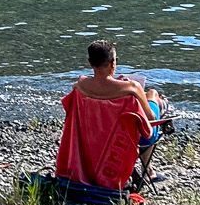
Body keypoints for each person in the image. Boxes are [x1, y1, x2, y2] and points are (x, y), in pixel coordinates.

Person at [70, 39, 169, 188]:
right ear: (112, 63)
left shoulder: (80, 85)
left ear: (90, 63)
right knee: (153, 95)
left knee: (146, 101)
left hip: (94, 137)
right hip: (126, 140)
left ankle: (147, 169)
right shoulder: (131, 87)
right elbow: (150, 119)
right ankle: (147, 170)